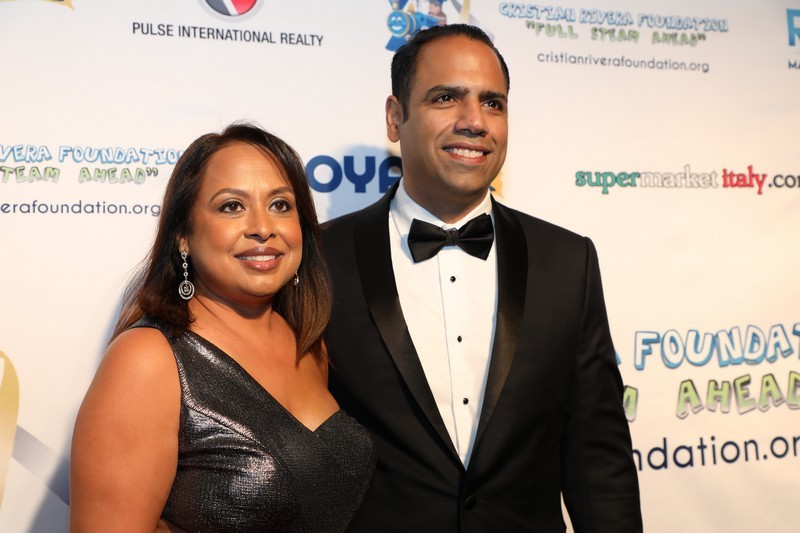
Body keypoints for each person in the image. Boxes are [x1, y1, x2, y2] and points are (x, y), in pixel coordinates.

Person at [321, 24, 642, 532]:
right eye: (446, 98)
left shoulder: (567, 261)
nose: (474, 121)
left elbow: (599, 460)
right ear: (395, 117)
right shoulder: (321, 259)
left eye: (493, 103)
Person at [70, 124, 375, 533]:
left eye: (281, 205)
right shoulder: (147, 359)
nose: (263, 226)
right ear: (183, 236)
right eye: (232, 206)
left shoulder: (306, 342)